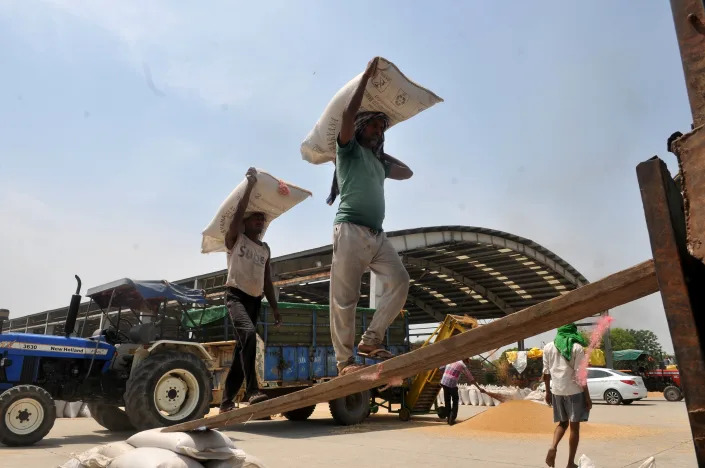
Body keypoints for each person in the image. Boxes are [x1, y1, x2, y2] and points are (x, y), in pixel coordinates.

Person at [327, 57, 414, 376]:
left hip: (377, 236)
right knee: (344, 299)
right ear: (360, 129)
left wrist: (380, 148)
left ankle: (370, 340)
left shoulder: (379, 163)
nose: (379, 131)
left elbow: (407, 173)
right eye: (374, 126)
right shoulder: (347, 151)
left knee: (400, 281)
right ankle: (344, 363)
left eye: (382, 128)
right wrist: (365, 77)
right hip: (349, 229)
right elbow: (347, 115)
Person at [219, 167, 281, 413]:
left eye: (262, 219)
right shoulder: (236, 240)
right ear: (244, 222)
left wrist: (275, 308)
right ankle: (253, 390)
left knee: (241, 351)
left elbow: (267, 282)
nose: (260, 220)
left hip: (255, 301)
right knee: (248, 335)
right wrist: (250, 184)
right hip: (236, 296)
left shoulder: (265, 249)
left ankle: (226, 402)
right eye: (255, 217)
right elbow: (237, 213)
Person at [543, 324, 592, 468]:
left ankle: (553, 447)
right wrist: (587, 397)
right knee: (574, 428)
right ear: (572, 331)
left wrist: (547, 392)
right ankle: (570, 463)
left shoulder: (548, 347)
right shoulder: (576, 347)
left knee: (562, 424)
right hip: (574, 391)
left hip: (557, 391)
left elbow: (546, 373)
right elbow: (580, 375)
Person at [440, 358, 486, 425]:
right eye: (467, 362)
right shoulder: (462, 365)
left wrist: (444, 376)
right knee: (455, 401)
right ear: (464, 360)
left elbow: (441, 368)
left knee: (447, 401)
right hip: (451, 383)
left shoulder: (452, 360)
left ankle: (448, 418)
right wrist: (479, 388)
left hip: (443, 382)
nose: (467, 363)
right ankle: (451, 419)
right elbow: (470, 378)